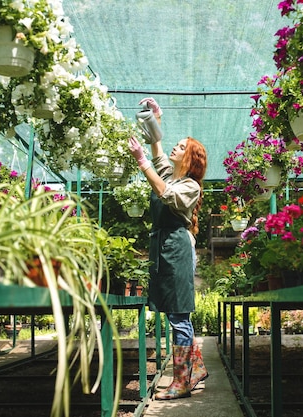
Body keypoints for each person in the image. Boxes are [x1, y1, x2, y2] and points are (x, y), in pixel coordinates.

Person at [128, 97, 209, 400]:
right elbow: (158, 151)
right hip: (163, 247)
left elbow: (164, 192)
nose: (175, 147)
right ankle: (194, 369)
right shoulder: (171, 173)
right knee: (170, 311)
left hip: (176, 249)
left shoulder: (190, 186)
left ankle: (181, 381)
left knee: (178, 315)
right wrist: (155, 118)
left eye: (181, 146)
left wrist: (141, 162)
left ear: (190, 159)